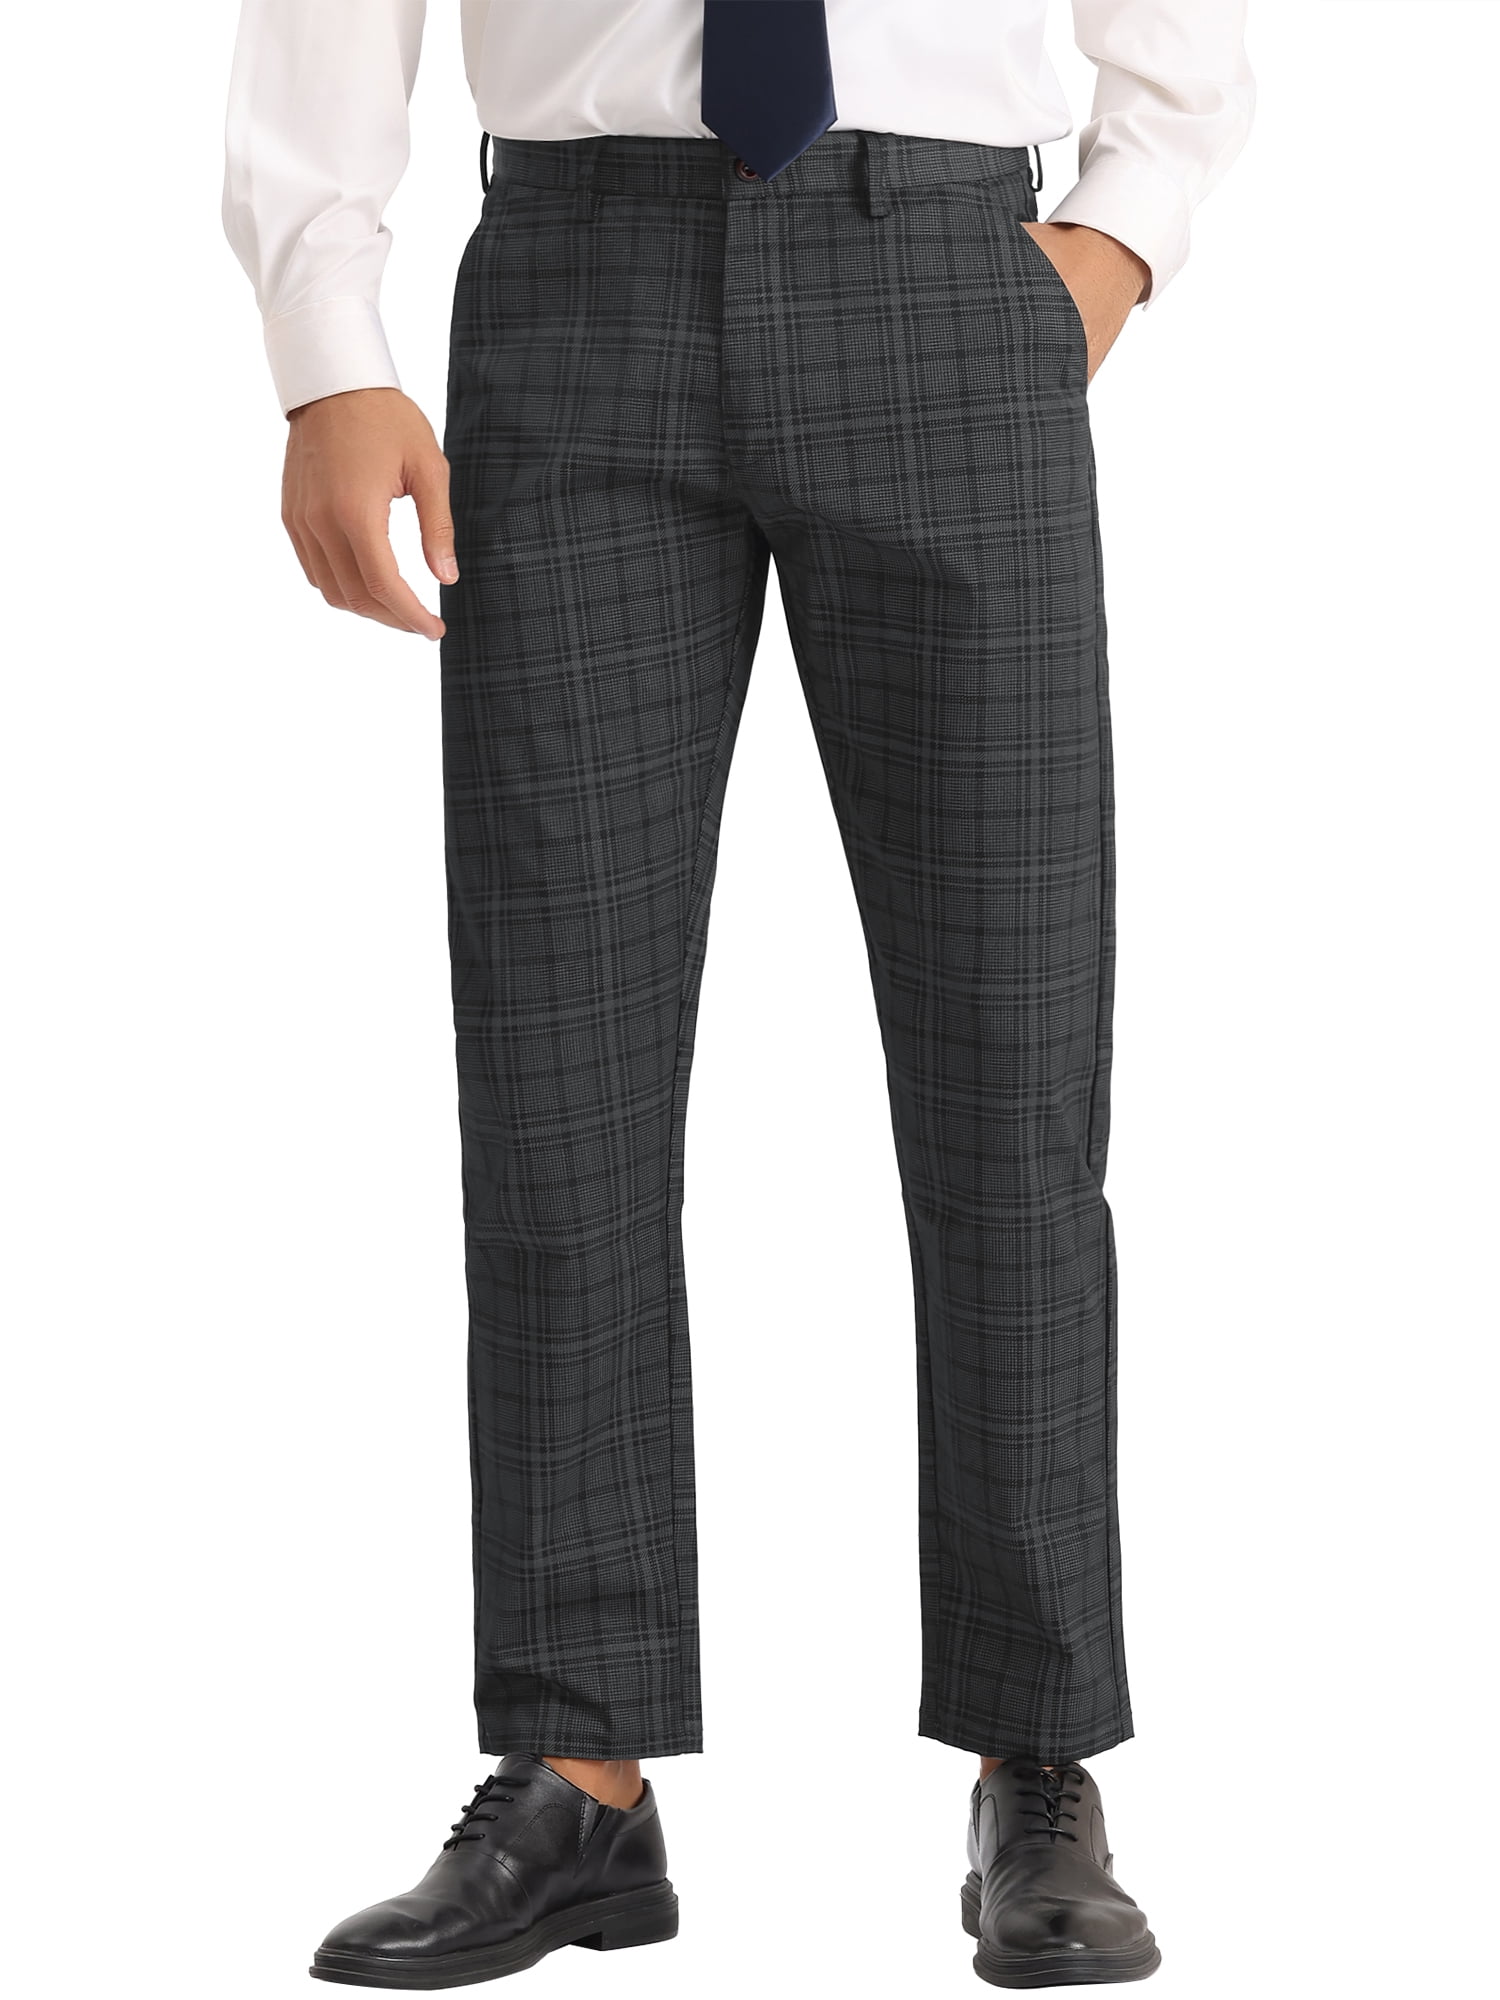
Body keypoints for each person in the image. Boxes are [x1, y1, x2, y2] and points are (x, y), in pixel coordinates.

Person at [222, 3, 1254, 1987]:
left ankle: (1037, 1755)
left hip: (949, 276)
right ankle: (577, 1767)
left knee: (1011, 1073)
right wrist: (325, 344)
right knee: (562, 1075)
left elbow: (1183, 40)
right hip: (576, 288)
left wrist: (1118, 239)